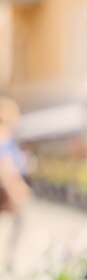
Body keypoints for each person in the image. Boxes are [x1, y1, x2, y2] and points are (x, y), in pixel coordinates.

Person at [0, 97, 31, 268]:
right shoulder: (3, 135)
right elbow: (6, 165)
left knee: (18, 222)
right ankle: (9, 260)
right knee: (19, 221)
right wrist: (16, 188)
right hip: (4, 188)